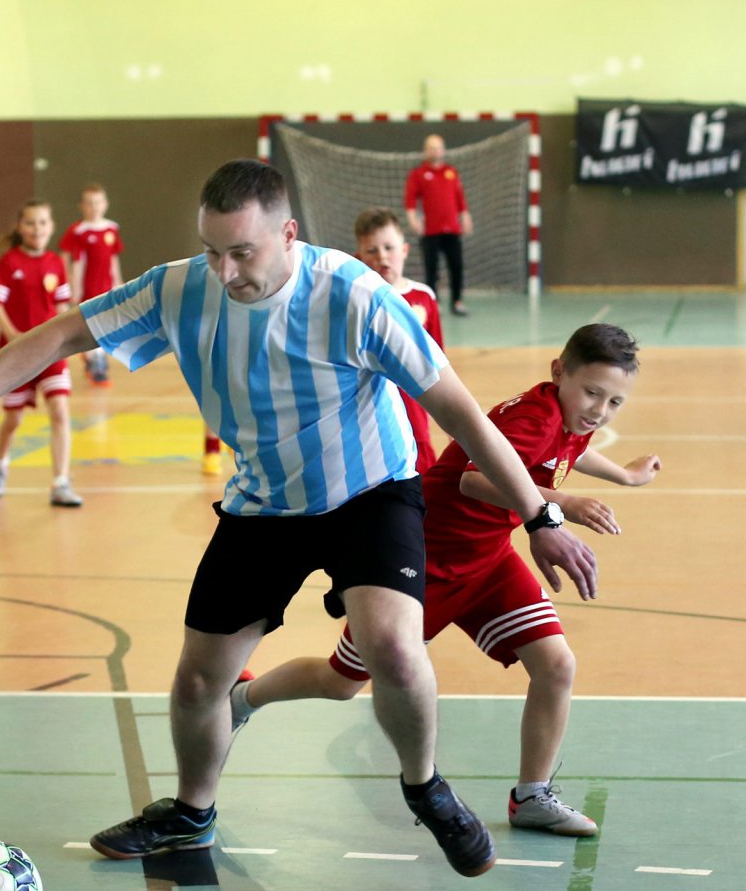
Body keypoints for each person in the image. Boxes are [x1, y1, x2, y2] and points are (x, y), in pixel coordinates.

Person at [0, 159, 598, 877]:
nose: (225, 270)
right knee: (199, 682)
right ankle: (191, 812)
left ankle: (425, 787)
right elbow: (60, 335)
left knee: (392, 648)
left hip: (370, 491)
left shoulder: (353, 295)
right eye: (212, 250)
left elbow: (459, 411)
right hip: (265, 500)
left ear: (288, 234)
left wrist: (540, 516)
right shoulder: (179, 289)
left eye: (242, 251)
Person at [232, 324, 659, 837]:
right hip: (424, 566)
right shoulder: (533, 416)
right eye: (592, 393)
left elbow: (569, 451)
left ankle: (532, 796)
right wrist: (562, 502)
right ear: (558, 372)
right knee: (340, 683)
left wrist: (625, 475)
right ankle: (243, 698)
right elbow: (473, 479)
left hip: (488, 561)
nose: (599, 411)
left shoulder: (568, 415)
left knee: (556, 664)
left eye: (614, 402)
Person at [0, 199, 81, 507]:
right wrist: (14, 337)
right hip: (16, 356)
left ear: (51, 227)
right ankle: (0, 464)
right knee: (13, 419)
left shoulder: (56, 263)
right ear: (20, 227)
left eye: (42, 222)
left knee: (60, 412)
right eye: (30, 222)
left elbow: (62, 307)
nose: (36, 228)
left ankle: (60, 483)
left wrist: (71, 340)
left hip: (51, 352)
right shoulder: (9, 262)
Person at [353, 206, 443, 472]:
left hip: (415, 414)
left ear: (404, 250)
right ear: (359, 256)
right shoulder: (356, 298)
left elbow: (439, 363)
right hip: (369, 417)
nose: (382, 257)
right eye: (372, 250)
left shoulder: (424, 297)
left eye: (389, 248)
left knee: (423, 479)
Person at [58, 183, 123, 386]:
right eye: (89, 203)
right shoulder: (78, 231)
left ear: (105, 204)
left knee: (107, 323)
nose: (94, 207)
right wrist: (71, 284)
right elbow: (71, 259)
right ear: (81, 206)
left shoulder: (111, 228)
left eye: (98, 202)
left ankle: (95, 357)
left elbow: (113, 258)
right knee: (92, 324)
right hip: (88, 288)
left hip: (107, 286)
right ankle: (95, 362)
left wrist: (118, 281)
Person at [404, 134, 473, 317]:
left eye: (438, 147)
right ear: (426, 151)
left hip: (452, 230)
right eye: (432, 148)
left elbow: (460, 199)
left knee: (456, 266)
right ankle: (433, 303)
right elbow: (410, 201)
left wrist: (465, 216)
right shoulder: (418, 174)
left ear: (443, 150)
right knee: (431, 269)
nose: (435, 151)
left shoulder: (451, 172)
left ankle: (457, 301)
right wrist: (413, 219)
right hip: (430, 231)